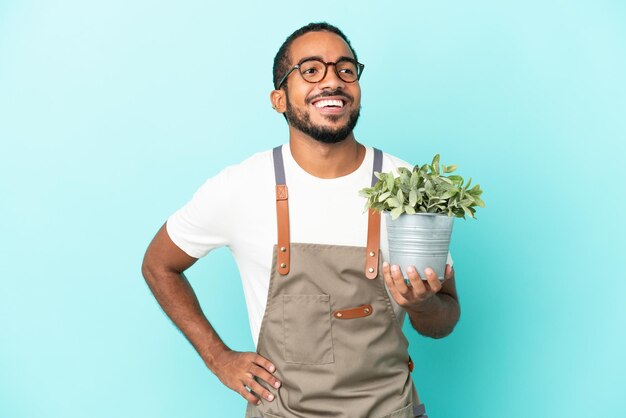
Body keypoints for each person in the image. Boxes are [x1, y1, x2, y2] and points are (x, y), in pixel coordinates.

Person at [141, 22, 460, 418]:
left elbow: (443, 321)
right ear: (279, 99)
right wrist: (216, 356)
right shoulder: (240, 186)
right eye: (311, 70)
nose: (333, 81)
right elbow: (159, 265)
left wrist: (423, 304)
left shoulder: (410, 187)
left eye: (346, 69)